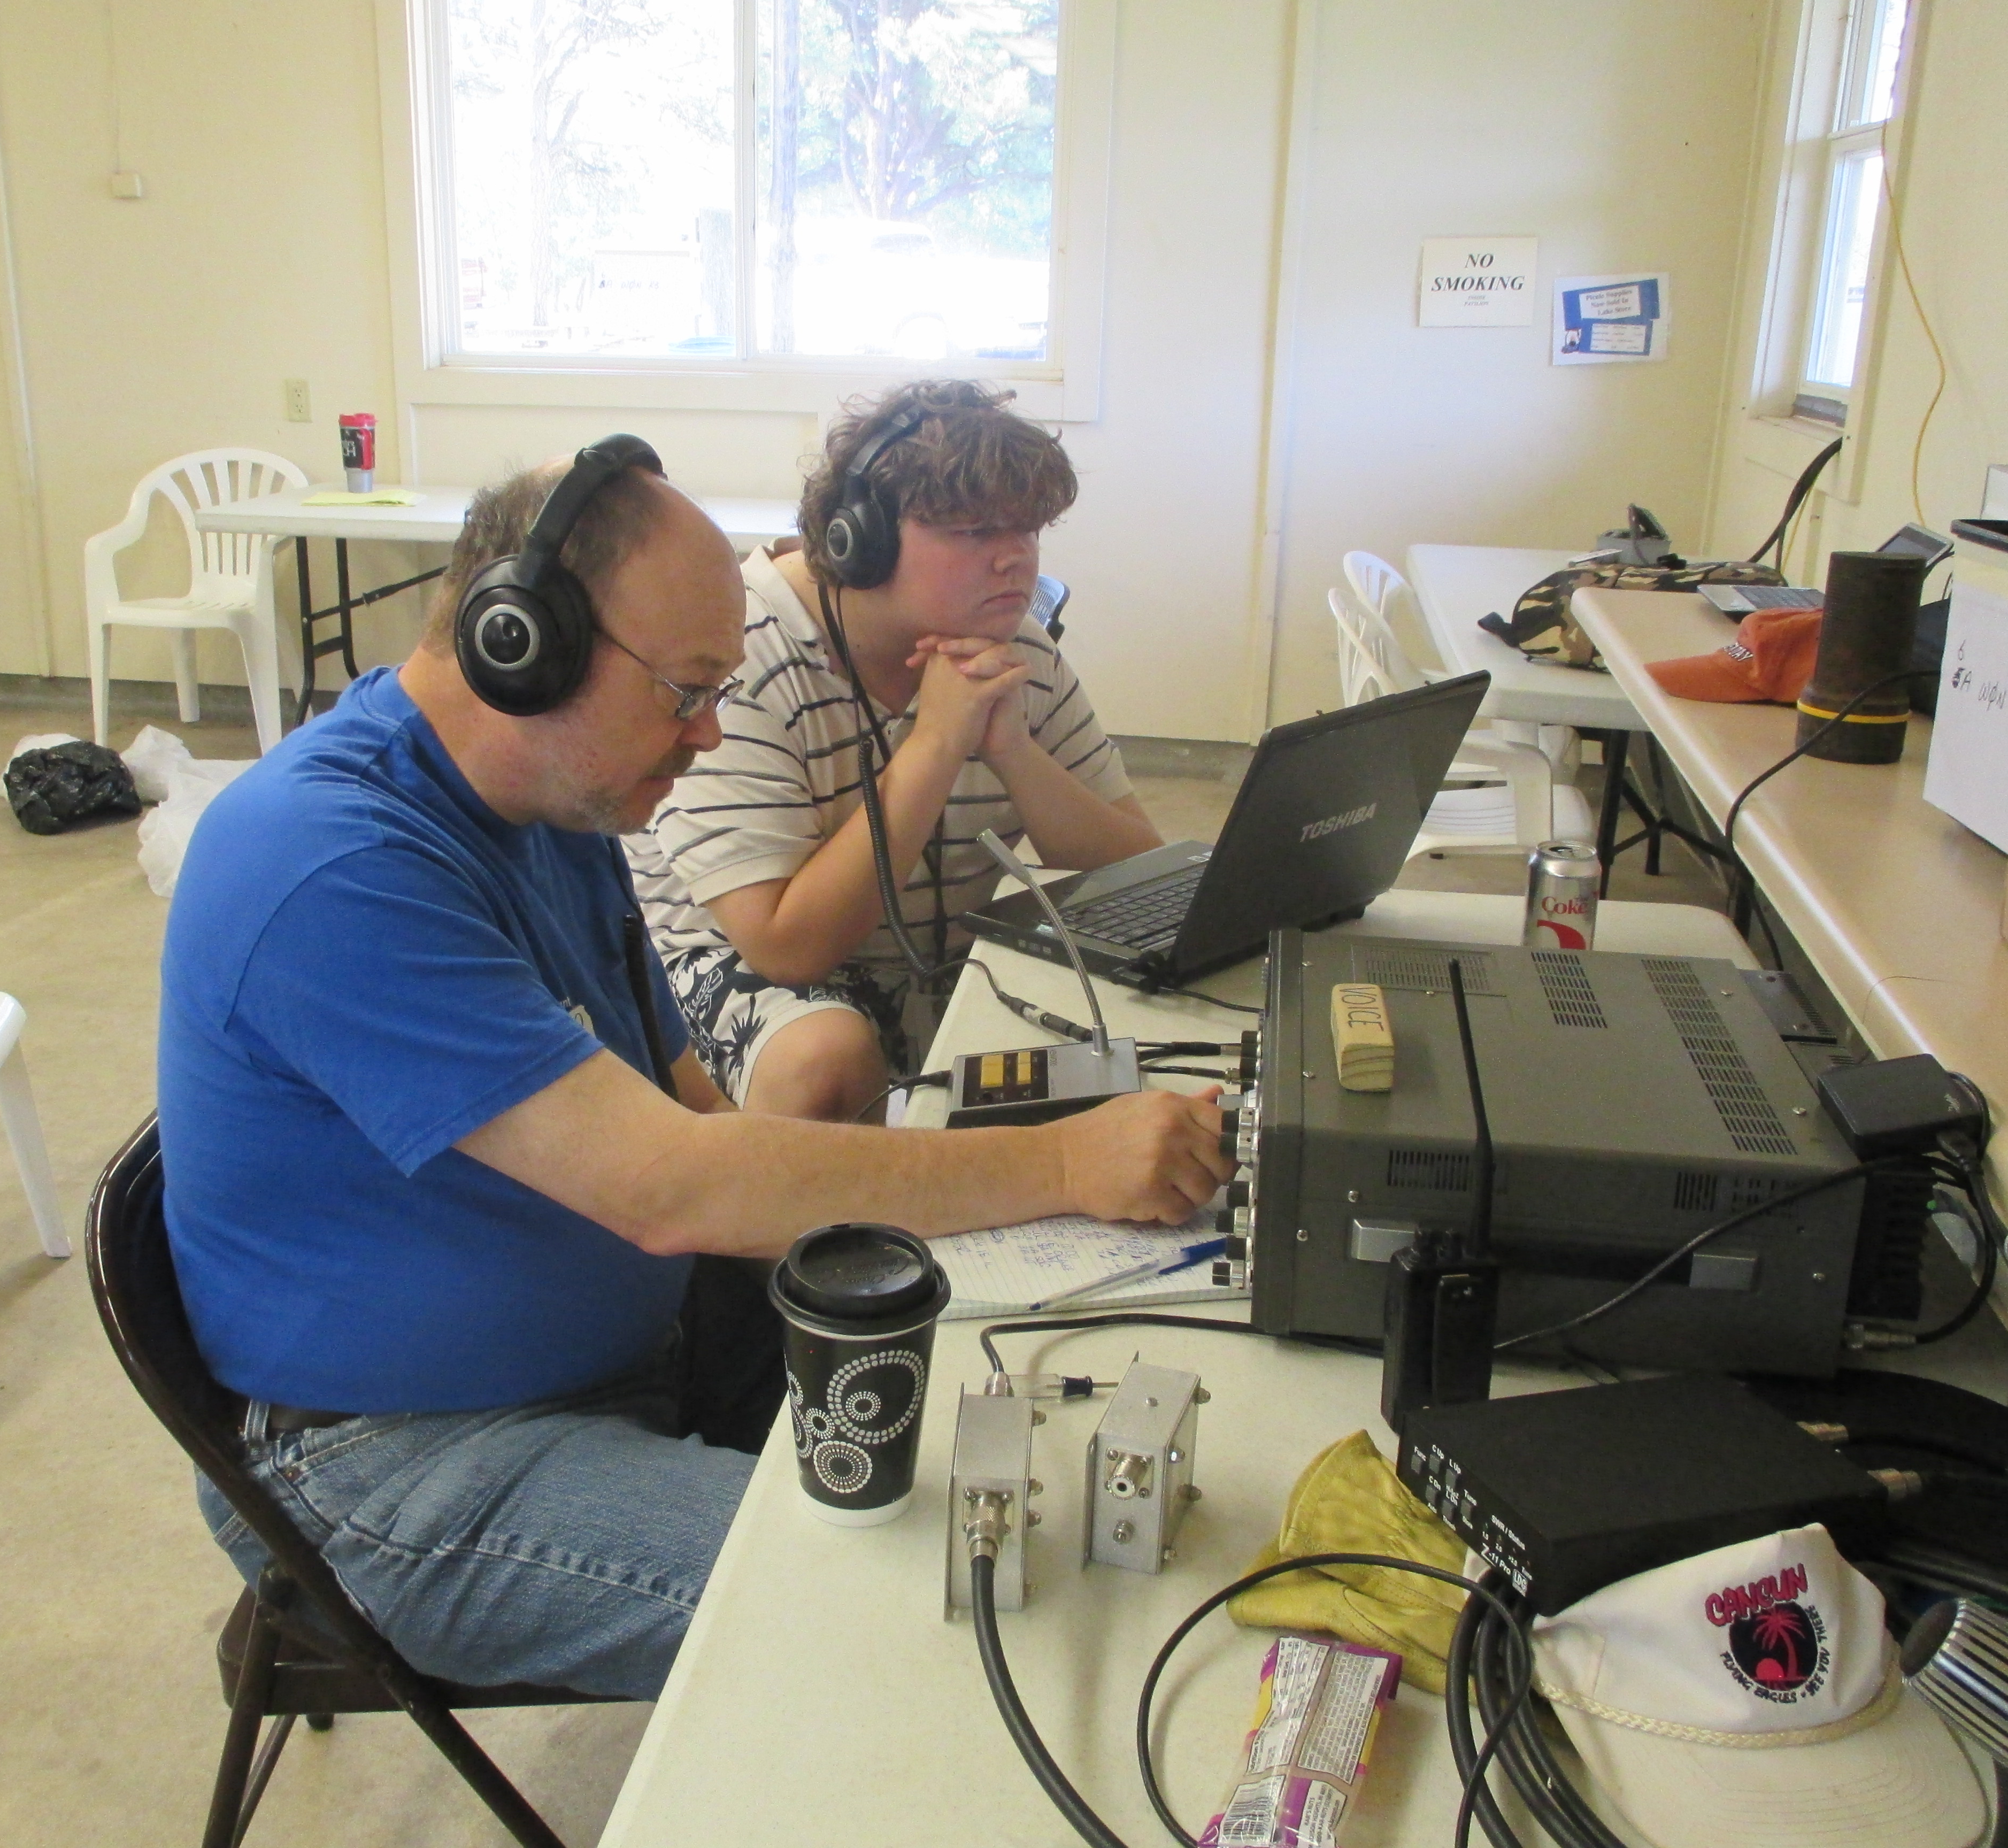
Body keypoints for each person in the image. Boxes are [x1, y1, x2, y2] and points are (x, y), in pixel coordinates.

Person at [157, 436, 1231, 1701]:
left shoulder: (555, 802)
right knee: (935, 1611)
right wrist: (1059, 1164)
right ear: (522, 645)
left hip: (638, 1352)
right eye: (684, 693)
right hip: (404, 1461)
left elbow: (694, 1100)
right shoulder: (330, 863)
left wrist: (940, 1224)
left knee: (1036, 1423)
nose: (709, 733)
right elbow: (671, 1186)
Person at [628, 380, 1162, 1124]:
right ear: (860, 538)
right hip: (729, 963)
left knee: (1144, 1017)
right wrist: (936, 743)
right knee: (826, 1058)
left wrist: (1013, 751)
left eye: (1028, 530)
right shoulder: (741, 655)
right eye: (975, 532)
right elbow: (785, 946)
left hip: (932, 960)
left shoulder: (1013, 648)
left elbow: (1144, 870)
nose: (1015, 560)